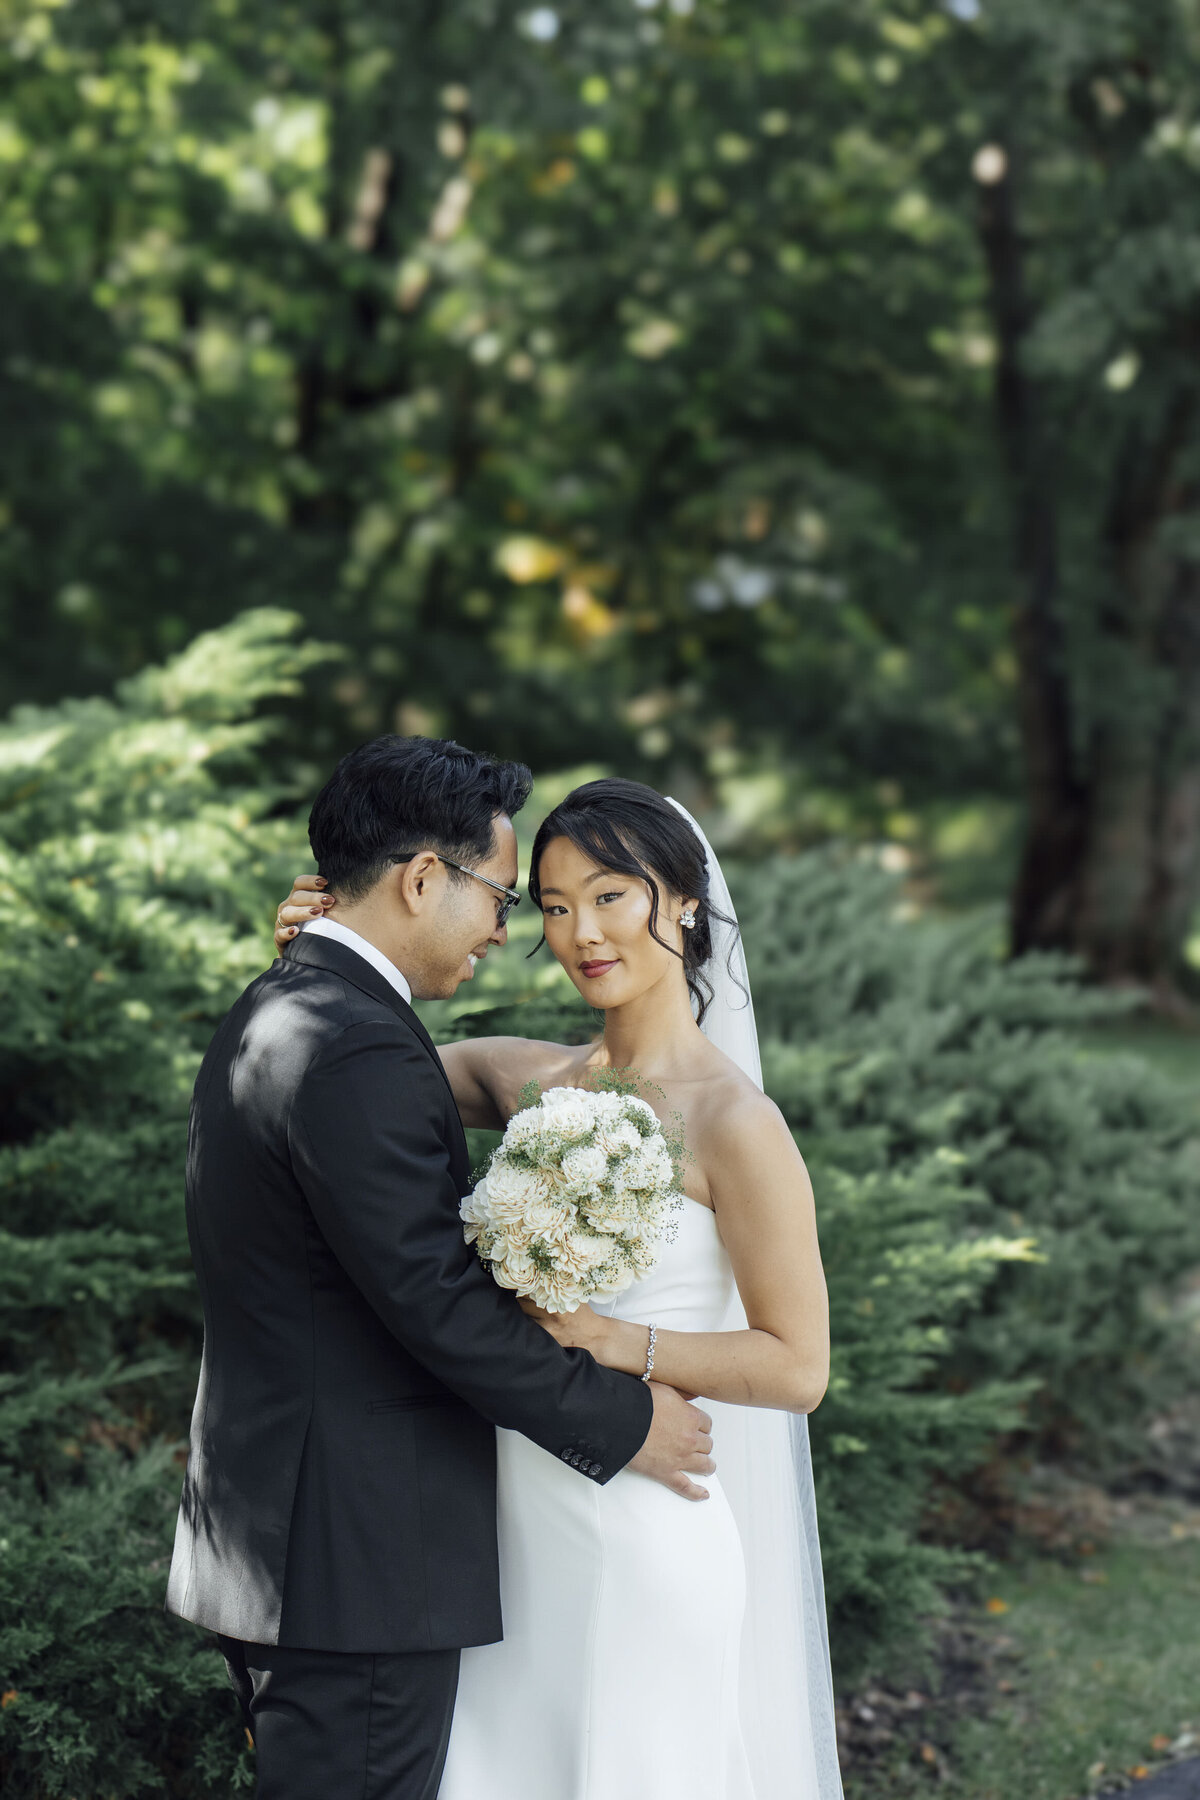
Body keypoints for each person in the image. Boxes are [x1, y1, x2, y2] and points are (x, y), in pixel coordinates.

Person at [273, 771, 843, 1799]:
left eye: (610, 895)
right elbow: (355, 1060)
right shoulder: (526, 1078)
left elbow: (800, 1367)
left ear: (679, 901)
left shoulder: (737, 1124)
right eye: (553, 904)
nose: (582, 931)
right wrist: (322, 953)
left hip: (642, 1520)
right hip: (498, 1539)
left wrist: (617, 1343)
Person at [166, 739, 715, 1800]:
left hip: (291, 1545)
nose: (509, 933)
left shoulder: (290, 1008)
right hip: (354, 1563)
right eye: (506, 899)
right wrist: (624, 1419)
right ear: (425, 879)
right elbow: (433, 1301)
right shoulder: (358, 1044)